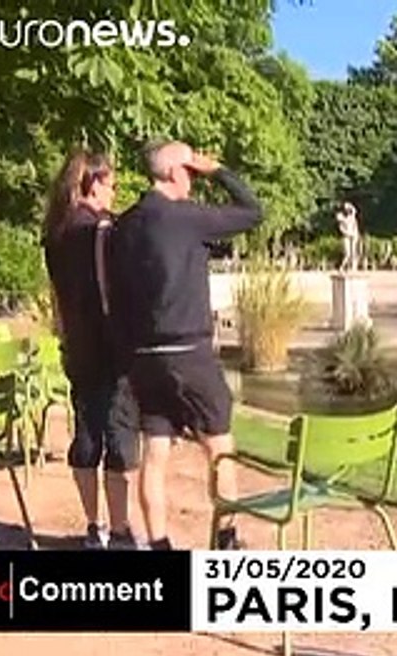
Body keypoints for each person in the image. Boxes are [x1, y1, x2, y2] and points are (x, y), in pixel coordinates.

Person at [106, 140, 262, 551]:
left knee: (155, 452)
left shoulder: (122, 227)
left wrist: (129, 354)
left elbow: (114, 297)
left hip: (144, 357)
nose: (193, 178)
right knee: (220, 445)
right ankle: (226, 541)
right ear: (176, 172)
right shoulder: (187, 219)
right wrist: (218, 170)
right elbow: (251, 211)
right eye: (190, 171)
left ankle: (158, 545)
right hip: (188, 351)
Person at [40, 148, 140, 550]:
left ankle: (93, 526)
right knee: (120, 443)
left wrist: (66, 340)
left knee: (86, 440)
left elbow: (57, 300)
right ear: (93, 183)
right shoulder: (105, 230)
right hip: (114, 349)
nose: (114, 193)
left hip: (79, 349)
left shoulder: (56, 234)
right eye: (111, 185)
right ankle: (119, 530)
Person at [336, 201, 361, 271]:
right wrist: (348, 233)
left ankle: (353, 267)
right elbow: (343, 232)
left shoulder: (351, 217)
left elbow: (354, 210)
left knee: (353, 252)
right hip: (348, 236)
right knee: (347, 254)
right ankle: (343, 266)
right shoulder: (342, 224)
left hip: (353, 236)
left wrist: (348, 205)